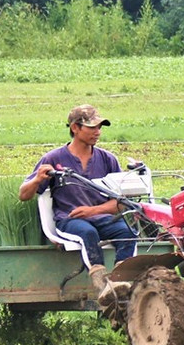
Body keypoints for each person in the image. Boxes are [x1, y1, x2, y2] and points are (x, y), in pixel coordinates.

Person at [19, 104, 135, 306]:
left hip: (102, 218)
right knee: (88, 233)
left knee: (128, 232)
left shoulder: (108, 159)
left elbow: (120, 203)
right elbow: (23, 195)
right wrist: (37, 179)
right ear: (75, 128)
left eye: (99, 127)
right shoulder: (53, 159)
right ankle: (101, 285)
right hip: (69, 220)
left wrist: (94, 210)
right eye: (92, 127)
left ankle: (120, 282)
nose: (97, 132)